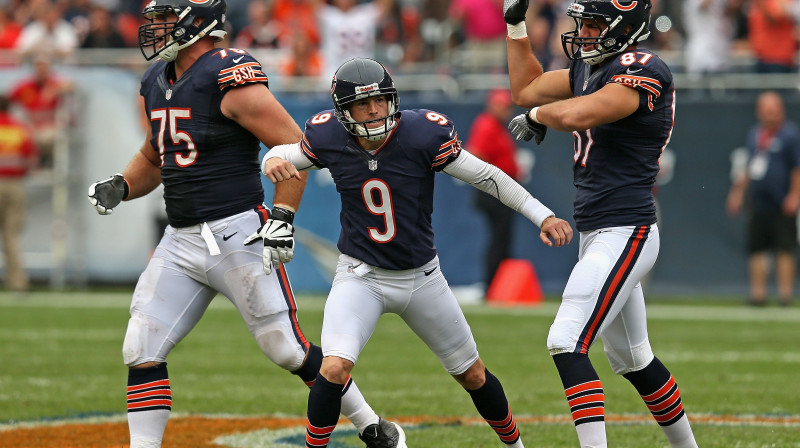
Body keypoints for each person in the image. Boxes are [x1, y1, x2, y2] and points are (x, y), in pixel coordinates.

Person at [85, 2, 404, 447]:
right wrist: (122, 184)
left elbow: (296, 149)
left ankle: (372, 425)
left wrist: (282, 217)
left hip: (238, 234)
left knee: (286, 348)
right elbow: (155, 155)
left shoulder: (228, 76)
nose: (152, 29)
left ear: (196, 23)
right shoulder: (158, 80)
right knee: (140, 348)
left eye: (163, 19)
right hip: (180, 238)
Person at [257, 57, 573, 448]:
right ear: (343, 111)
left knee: (473, 375)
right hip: (361, 275)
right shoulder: (327, 136)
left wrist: (541, 215)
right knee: (334, 367)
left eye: (381, 100)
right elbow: (284, 153)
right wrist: (272, 160)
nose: (374, 110)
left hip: (422, 278)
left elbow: (488, 176)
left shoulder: (422, 134)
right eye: (363, 104)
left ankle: (516, 446)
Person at [502, 1, 700, 447]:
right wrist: (515, 26)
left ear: (626, 28)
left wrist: (539, 116)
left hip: (626, 229)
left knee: (565, 339)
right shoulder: (587, 69)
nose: (584, 33)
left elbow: (579, 113)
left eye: (594, 24)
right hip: (599, 232)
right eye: (583, 24)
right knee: (634, 359)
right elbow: (526, 88)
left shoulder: (643, 66)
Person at [726, 90, 800, 306]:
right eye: (767, 110)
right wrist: (738, 192)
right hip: (758, 202)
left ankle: (785, 295)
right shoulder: (755, 134)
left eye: (775, 110)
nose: (771, 115)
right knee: (756, 248)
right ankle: (758, 295)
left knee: (784, 248)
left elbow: (797, 168)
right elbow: (749, 167)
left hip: (782, 201)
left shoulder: (790, 135)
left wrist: (794, 196)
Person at [466, 88, 521, 288]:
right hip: (495, 191)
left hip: (502, 190)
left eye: (508, 107)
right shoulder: (486, 124)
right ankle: (494, 285)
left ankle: (500, 286)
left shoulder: (496, 126)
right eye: (503, 106)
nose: (507, 111)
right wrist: (493, 179)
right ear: (492, 106)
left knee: (503, 238)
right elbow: (475, 153)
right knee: (499, 239)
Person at [0, 95, 38, 293]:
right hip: (15, 185)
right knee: (11, 236)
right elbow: (31, 161)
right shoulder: (20, 128)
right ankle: (17, 284)